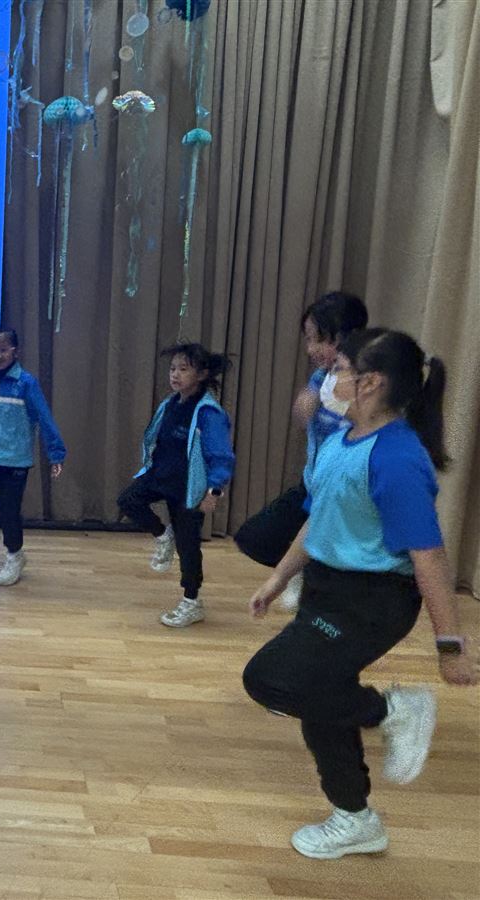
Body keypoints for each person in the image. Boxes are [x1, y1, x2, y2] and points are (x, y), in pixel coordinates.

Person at [243, 327, 475, 860]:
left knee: (270, 678)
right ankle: (355, 818)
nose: (325, 379)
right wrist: (280, 576)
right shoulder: (339, 442)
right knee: (321, 698)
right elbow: (319, 517)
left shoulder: (397, 458)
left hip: (373, 601)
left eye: (336, 369)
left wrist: (450, 647)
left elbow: (429, 556)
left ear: (369, 383)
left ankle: (393, 710)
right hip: (328, 588)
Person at [235, 292, 368, 611]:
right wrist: (306, 404)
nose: (311, 349)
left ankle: (310, 576)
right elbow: (304, 417)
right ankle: (300, 568)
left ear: (346, 337)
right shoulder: (321, 377)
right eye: (308, 340)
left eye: (318, 339)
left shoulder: (365, 383)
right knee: (254, 538)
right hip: (313, 484)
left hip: (343, 491)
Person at [117, 343, 235, 627]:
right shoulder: (170, 404)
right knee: (128, 501)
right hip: (160, 477)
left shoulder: (208, 413)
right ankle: (162, 535)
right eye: (172, 369)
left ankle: (192, 601)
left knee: (188, 547)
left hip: (189, 488)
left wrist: (214, 490)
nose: (175, 375)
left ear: (202, 374)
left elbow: (221, 456)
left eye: (183, 369)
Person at [0, 327, 65, 587]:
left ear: (15, 351)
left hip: (15, 458)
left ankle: (15, 556)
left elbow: (44, 418)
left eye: (3, 350)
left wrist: (55, 453)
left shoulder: (26, 384)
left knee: (9, 512)